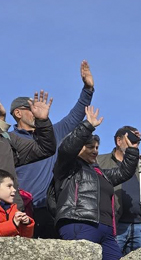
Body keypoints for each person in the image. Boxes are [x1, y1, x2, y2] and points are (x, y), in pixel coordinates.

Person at [48, 108, 141, 260]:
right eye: (90, 147)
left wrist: (132, 149)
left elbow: (124, 172)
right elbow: (67, 149)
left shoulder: (100, 172)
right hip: (79, 223)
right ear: (79, 147)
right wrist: (88, 125)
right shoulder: (67, 166)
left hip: (106, 230)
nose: (95, 151)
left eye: (97, 147)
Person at [13, 61, 97, 238]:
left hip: (49, 209)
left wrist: (87, 89)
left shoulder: (54, 133)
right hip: (19, 207)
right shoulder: (10, 139)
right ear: (17, 113)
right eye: (30, 108)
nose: (36, 111)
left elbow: (75, 116)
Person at [99, 126, 141, 255]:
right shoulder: (101, 162)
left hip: (140, 227)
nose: (134, 144)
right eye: (130, 139)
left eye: (136, 142)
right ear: (119, 141)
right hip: (114, 226)